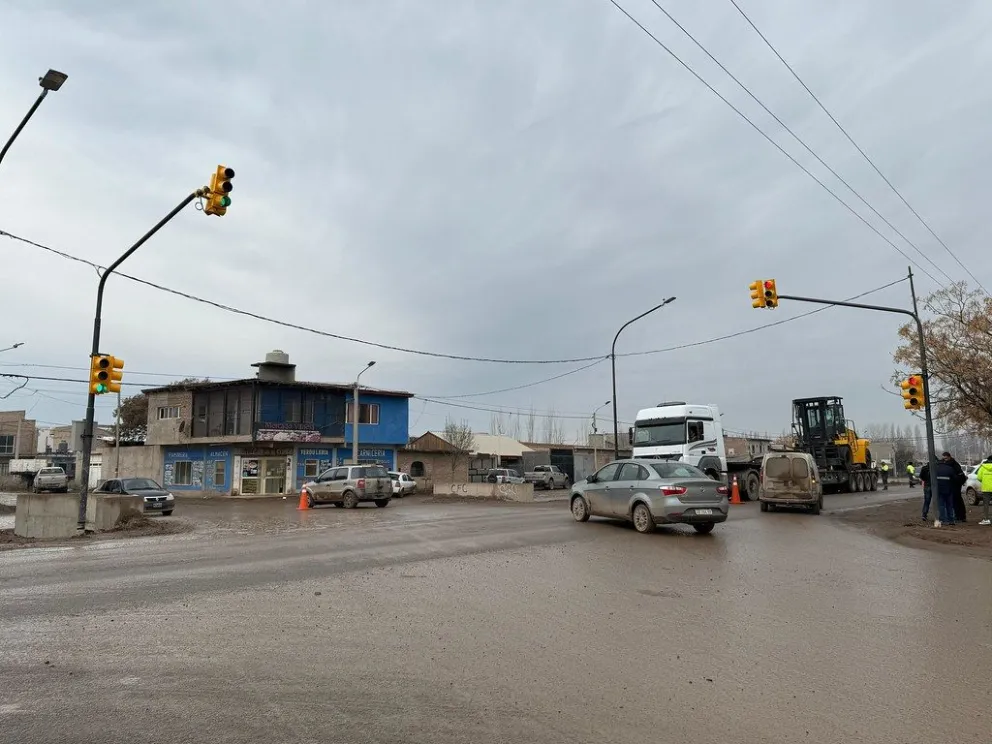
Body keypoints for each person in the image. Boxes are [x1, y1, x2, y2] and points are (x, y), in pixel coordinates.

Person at [942, 452, 967, 523]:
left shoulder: (954, 465)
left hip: (955, 485)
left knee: (956, 501)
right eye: (944, 458)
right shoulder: (950, 464)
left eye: (946, 458)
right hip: (953, 485)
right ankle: (960, 516)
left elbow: (960, 476)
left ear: (949, 457)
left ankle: (960, 516)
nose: (945, 460)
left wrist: (957, 482)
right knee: (956, 501)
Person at [933, 459, 957, 527]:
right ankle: (951, 520)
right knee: (949, 505)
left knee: (941, 505)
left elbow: (932, 478)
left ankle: (943, 520)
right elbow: (954, 478)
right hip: (949, 489)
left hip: (939, 490)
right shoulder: (950, 468)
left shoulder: (935, 469)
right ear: (945, 462)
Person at [976, 455, 992, 526]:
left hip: (986, 489)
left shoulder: (983, 467)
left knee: (986, 504)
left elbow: (979, 477)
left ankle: (986, 519)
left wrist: (985, 481)